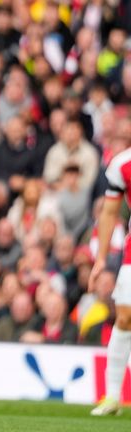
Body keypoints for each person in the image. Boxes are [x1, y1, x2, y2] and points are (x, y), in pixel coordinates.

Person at [89, 144, 131, 416]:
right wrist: (101, 259)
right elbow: (109, 212)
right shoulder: (122, 164)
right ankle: (112, 396)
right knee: (125, 317)